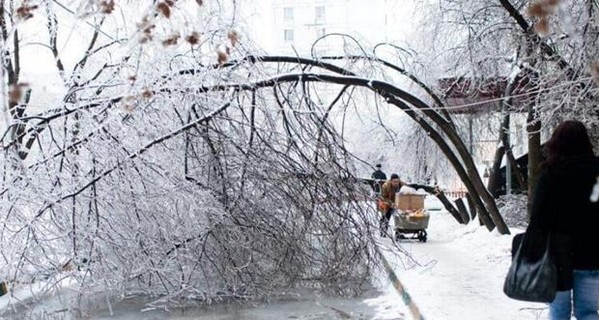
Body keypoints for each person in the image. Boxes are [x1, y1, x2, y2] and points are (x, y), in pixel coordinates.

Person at [528, 120, 599, 319]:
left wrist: (533, 248)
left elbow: (538, 218)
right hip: (593, 254)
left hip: (556, 258)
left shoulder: (550, 175)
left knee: (558, 313)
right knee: (588, 312)